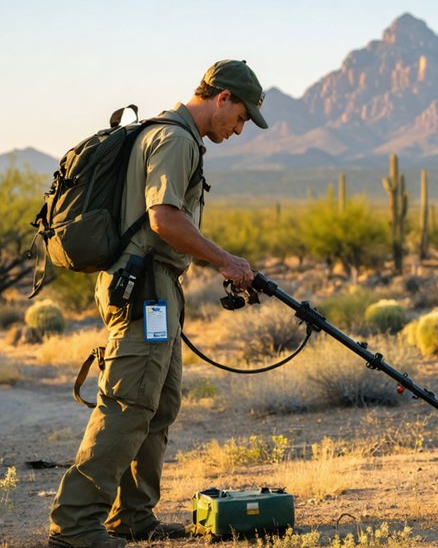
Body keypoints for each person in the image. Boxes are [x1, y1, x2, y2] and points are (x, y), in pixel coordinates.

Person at [48, 60, 267, 548]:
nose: (239, 128)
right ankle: (76, 528)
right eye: (241, 116)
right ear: (222, 97)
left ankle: (133, 518)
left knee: (158, 404)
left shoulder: (171, 135)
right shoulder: (176, 139)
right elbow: (164, 218)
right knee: (129, 402)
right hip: (143, 284)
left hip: (155, 284)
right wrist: (225, 261)